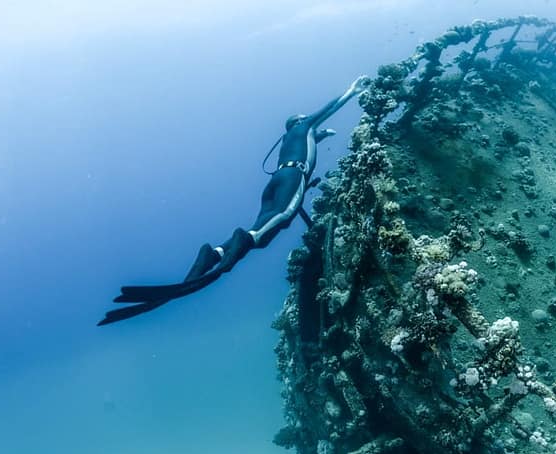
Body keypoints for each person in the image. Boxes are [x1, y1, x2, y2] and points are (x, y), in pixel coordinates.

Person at [98, 75, 371, 326]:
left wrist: (321, 137)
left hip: (275, 181)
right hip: (291, 177)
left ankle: (215, 253)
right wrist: (351, 91)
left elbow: (307, 143)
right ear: (298, 121)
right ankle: (230, 257)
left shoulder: (291, 137)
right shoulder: (303, 126)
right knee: (283, 217)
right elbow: (326, 110)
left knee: (261, 224)